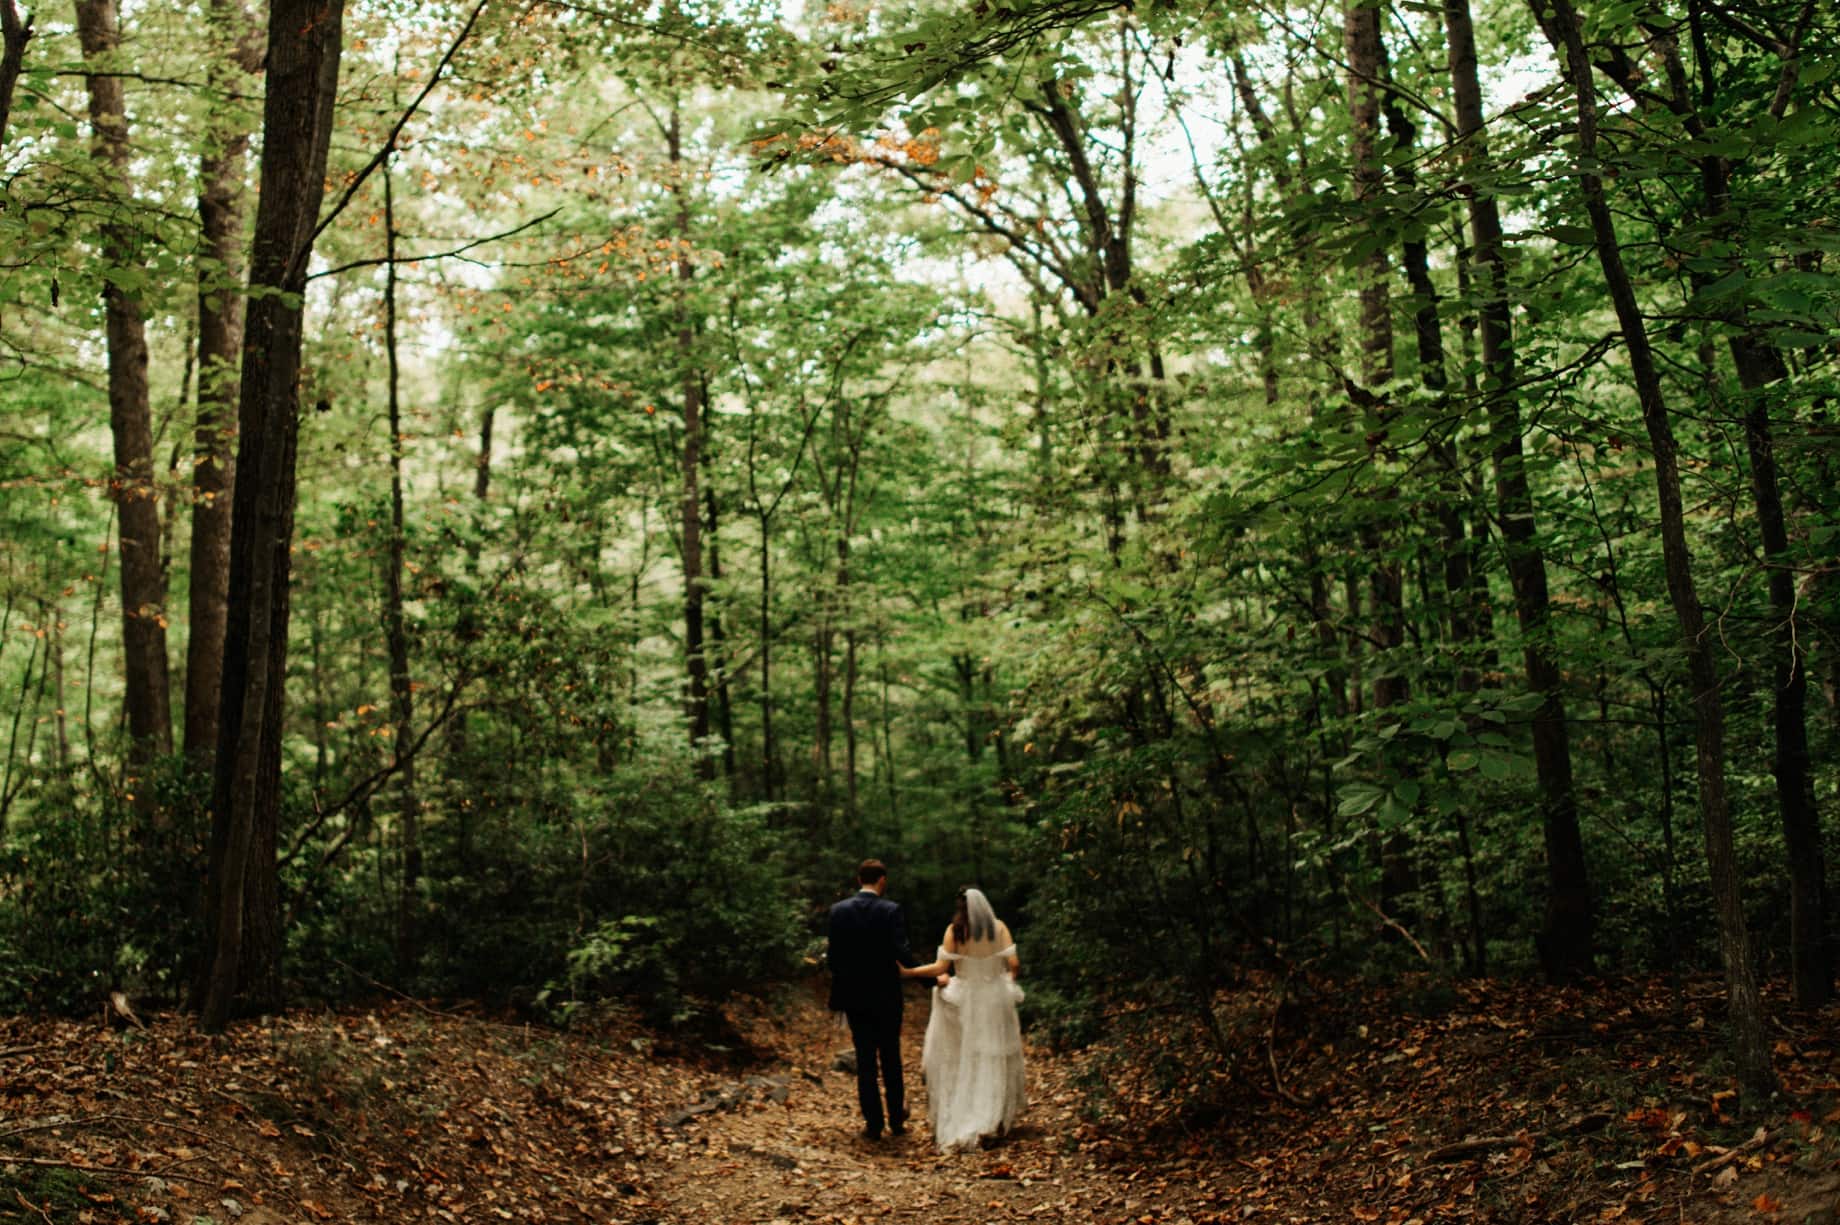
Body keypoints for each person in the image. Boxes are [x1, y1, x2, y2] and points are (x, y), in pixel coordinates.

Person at [900, 886, 1026, 1151]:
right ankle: (994, 1117)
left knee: (963, 1057)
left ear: (960, 907)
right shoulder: (999, 928)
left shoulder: (955, 931)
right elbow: (1014, 965)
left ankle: (965, 1108)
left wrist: (910, 972)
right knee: (993, 1056)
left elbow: (940, 968)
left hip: (965, 997)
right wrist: (1003, 981)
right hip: (993, 997)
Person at [827, 859, 921, 1140]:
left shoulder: (838, 911)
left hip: (855, 997)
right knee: (891, 1056)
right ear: (882, 881)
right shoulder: (890, 910)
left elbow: (834, 958)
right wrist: (928, 977)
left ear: (859, 880)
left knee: (865, 1059)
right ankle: (896, 1121)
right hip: (886, 995)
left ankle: (873, 1124)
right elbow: (900, 951)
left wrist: (845, 982)